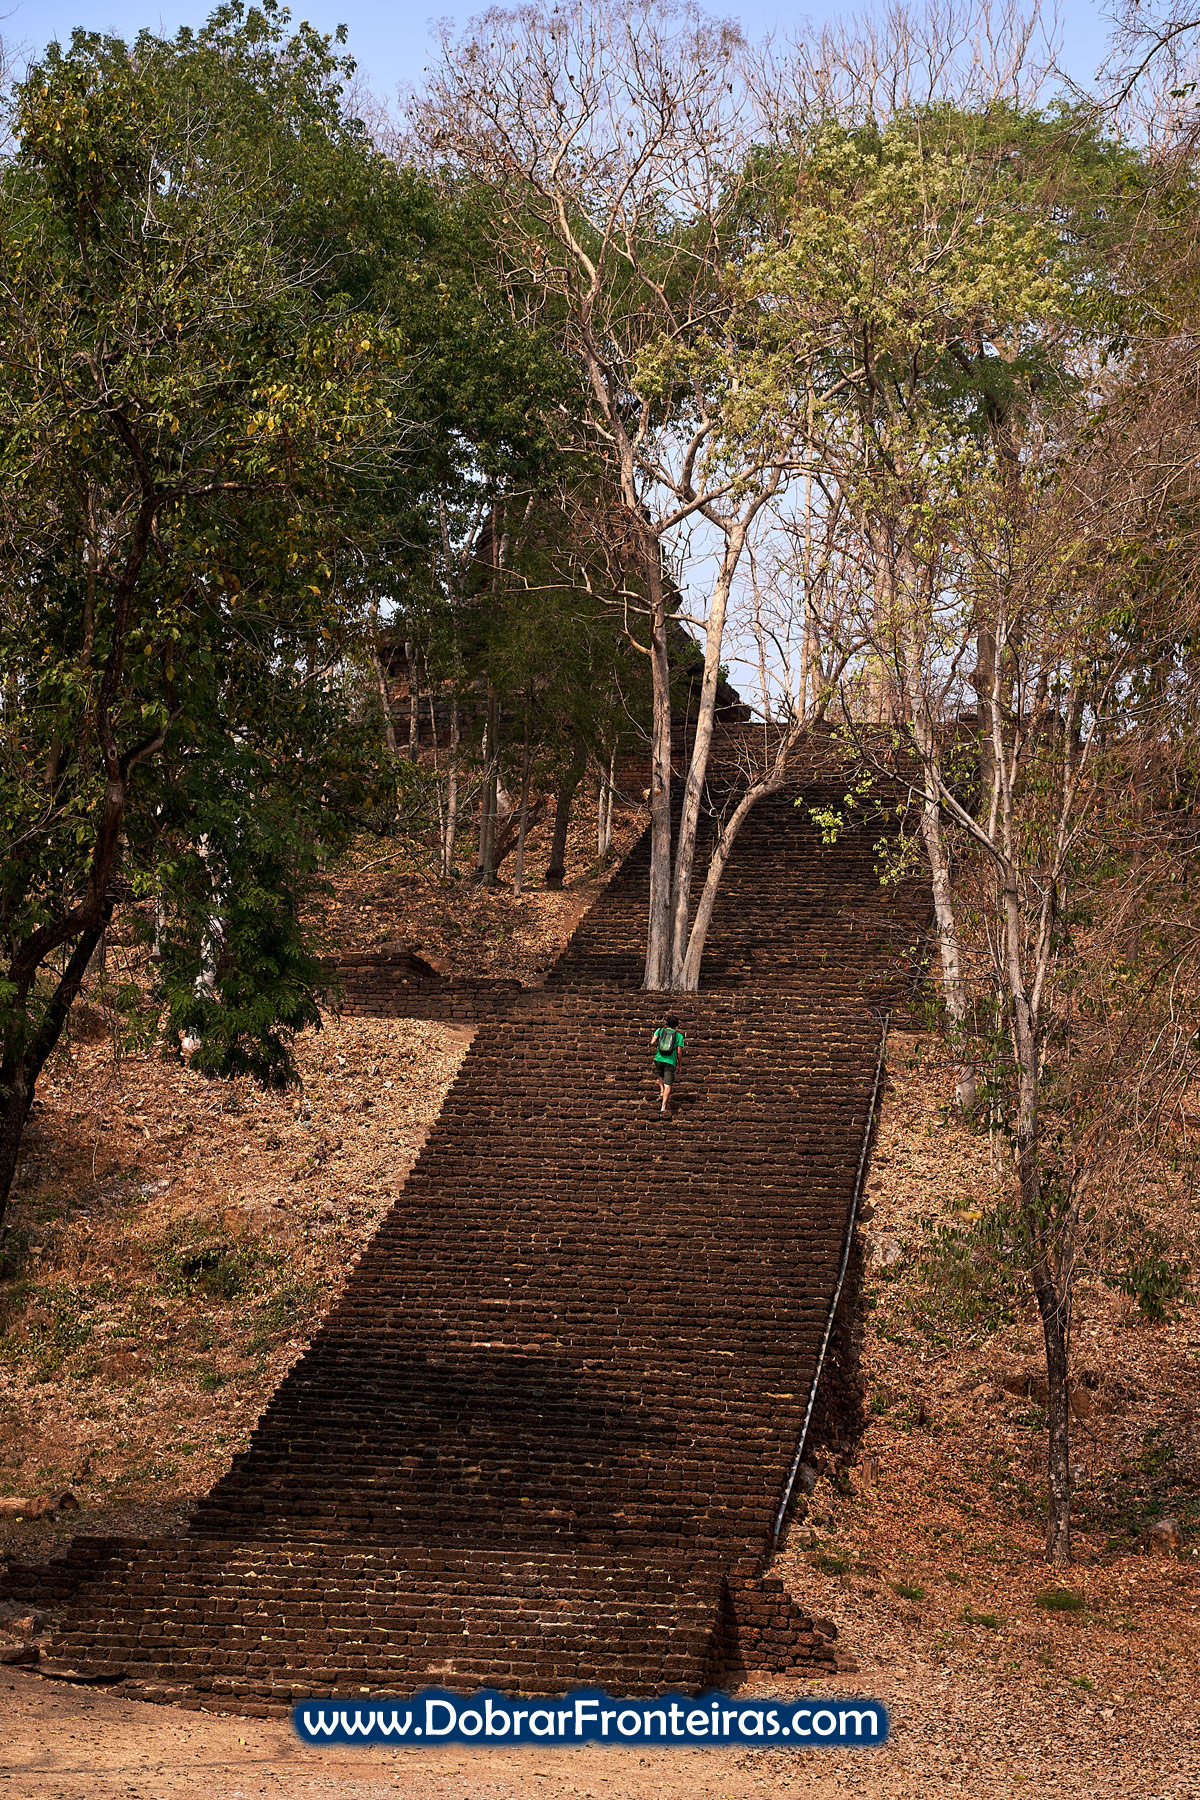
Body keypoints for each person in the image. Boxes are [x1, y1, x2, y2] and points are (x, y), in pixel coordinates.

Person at [650, 1015, 685, 1115]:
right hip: (670, 1061)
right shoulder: (679, 1036)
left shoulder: (660, 1031)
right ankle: (663, 1107)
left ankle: (661, 1092)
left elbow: (652, 1042)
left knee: (660, 1075)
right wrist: (680, 1065)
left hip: (658, 1059)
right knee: (668, 1084)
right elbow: (679, 1052)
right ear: (676, 1025)